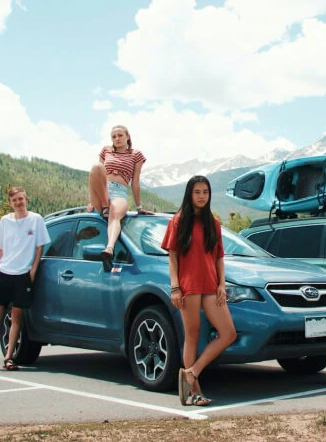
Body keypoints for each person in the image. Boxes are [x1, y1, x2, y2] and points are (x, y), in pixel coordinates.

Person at [162, 175, 237, 406]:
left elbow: (219, 257)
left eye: (205, 192)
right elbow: (173, 257)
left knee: (228, 333)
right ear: (189, 194)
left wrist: (222, 284)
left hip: (211, 286)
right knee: (192, 336)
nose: (202, 196)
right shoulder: (178, 220)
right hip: (188, 286)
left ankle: (191, 371)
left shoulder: (213, 222)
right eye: (197, 192)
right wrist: (175, 287)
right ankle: (194, 392)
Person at [0, 187, 49, 372]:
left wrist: (33, 269)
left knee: (16, 315)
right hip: (4, 272)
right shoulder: (5, 221)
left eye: (21, 199)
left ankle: (9, 358)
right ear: (10, 203)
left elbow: (40, 247)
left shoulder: (36, 219)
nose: (18, 203)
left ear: (26, 199)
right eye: (15, 200)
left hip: (23, 274)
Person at [87, 124, 148, 262]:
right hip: (102, 191)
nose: (117, 138)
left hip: (119, 192)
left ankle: (109, 248)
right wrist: (91, 202)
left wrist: (139, 207)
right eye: (114, 136)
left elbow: (135, 182)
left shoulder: (136, 155)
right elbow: (97, 176)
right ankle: (104, 205)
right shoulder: (106, 151)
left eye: (120, 135)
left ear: (127, 136)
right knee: (97, 167)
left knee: (114, 214)